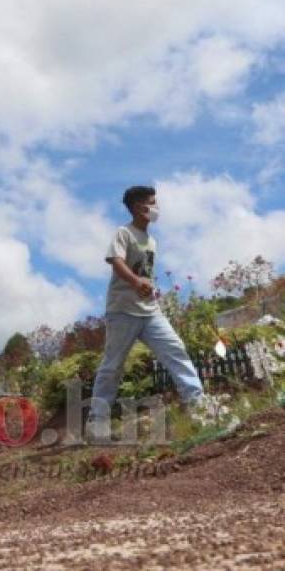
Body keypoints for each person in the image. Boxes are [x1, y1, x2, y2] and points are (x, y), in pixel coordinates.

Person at [87, 186, 210, 439]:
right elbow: (115, 261)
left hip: (150, 311)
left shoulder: (152, 240)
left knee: (175, 349)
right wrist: (135, 282)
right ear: (136, 207)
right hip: (122, 311)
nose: (156, 209)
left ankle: (198, 404)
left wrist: (147, 287)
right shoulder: (124, 233)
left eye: (157, 203)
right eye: (151, 204)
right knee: (113, 365)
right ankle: (96, 422)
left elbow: (145, 272)